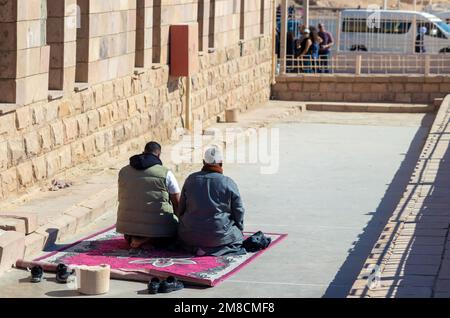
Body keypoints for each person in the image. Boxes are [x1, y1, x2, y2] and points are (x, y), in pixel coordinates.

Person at [177, 146, 246, 256]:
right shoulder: (227, 182)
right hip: (218, 234)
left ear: (203, 162)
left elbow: (181, 208)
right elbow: (238, 210)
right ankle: (212, 250)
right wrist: (239, 228)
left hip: (190, 234)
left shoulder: (190, 179)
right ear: (221, 163)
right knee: (237, 238)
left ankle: (196, 248)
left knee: (183, 237)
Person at [116, 141, 181, 248]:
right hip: (159, 233)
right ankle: (147, 239)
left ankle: (138, 239)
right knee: (173, 233)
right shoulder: (165, 173)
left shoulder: (123, 171)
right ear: (159, 155)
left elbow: (122, 198)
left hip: (128, 231)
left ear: (143, 152)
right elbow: (177, 203)